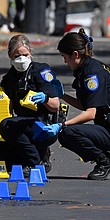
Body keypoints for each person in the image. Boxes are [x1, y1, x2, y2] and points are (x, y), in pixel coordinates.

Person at [0, 34, 61, 177]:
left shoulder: (41, 71)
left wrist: (45, 98)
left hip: (42, 125)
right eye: (17, 55)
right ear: (10, 56)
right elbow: (6, 108)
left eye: (25, 54)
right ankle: (37, 154)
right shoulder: (8, 78)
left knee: (7, 125)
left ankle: (34, 162)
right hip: (20, 128)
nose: (21, 59)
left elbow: (55, 105)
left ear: (30, 52)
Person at [42, 28, 110, 180]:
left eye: (64, 57)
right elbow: (86, 105)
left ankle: (104, 162)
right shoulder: (85, 70)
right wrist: (62, 95)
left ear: (75, 55)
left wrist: (63, 125)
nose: (64, 61)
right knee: (68, 132)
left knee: (68, 133)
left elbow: (90, 113)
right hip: (105, 125)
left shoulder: (93, 75)